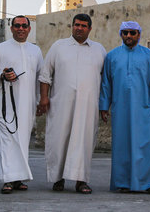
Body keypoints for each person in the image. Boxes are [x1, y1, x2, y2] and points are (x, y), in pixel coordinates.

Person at [37, 14, 107, 194]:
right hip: (60, 104)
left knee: (83, 141)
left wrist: (105, 105)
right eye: (76, 25)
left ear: (90, 29)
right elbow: (45, 75)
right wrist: (44, 98)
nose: (79, 28)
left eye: (84, 26)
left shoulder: (99, 50)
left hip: (88, 106)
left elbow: (105, 80)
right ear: (72, 26)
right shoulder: (58, 46)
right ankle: (57, 179)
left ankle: (81, 181)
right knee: (59, 139)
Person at [99, 21, 150, 194]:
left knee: (148, 145)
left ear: (139, 34)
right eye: (125, 32)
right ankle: (123, 182)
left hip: (145, 108)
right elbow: (106, 84)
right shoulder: (112, 56)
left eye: (132, 33)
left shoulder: (149, 55)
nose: (128, 36)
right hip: (121, 109)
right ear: (120, 34)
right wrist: (104, 106)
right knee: (122, 145)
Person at [0, 15, 44, 194]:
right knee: (7, 141)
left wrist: (41, 100)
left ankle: (18, 180)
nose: (20, 29)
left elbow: (41, 77)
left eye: (24, 26)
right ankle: (7, 180)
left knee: (22, 141)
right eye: (17, 26)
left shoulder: (36, 51)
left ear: (29, 29)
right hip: (5, 105)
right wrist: (2, 76)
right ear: (11, 28)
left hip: (27, 105)